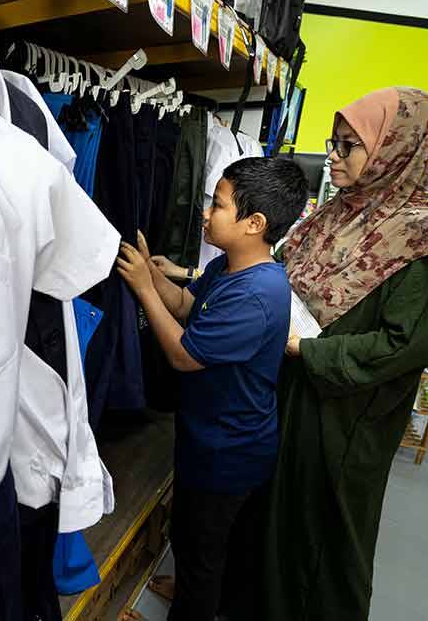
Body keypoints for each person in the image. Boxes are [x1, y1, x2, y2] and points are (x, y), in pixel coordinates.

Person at [261, 87, 428, 621]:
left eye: (350, 146)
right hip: (294, 390)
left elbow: (411, 342)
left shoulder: (419, 241)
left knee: (326, 530)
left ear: (395, 149)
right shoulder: (334, 214)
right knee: (279, 510)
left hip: (347, 415)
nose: (333, 155)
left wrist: (312, 351)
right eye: (334, 142)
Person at [116, 157, 309, 621]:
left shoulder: (256, 294)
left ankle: (195, 604)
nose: (205, 213)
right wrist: (156, 277)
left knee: (201, 551)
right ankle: (194, 593)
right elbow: (187, 306)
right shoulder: (229, 266)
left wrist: (144, 290)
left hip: (229, 452)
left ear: (254, 223)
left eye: (218, 206)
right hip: (211, 438)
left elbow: (185, 355)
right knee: (193, 539)